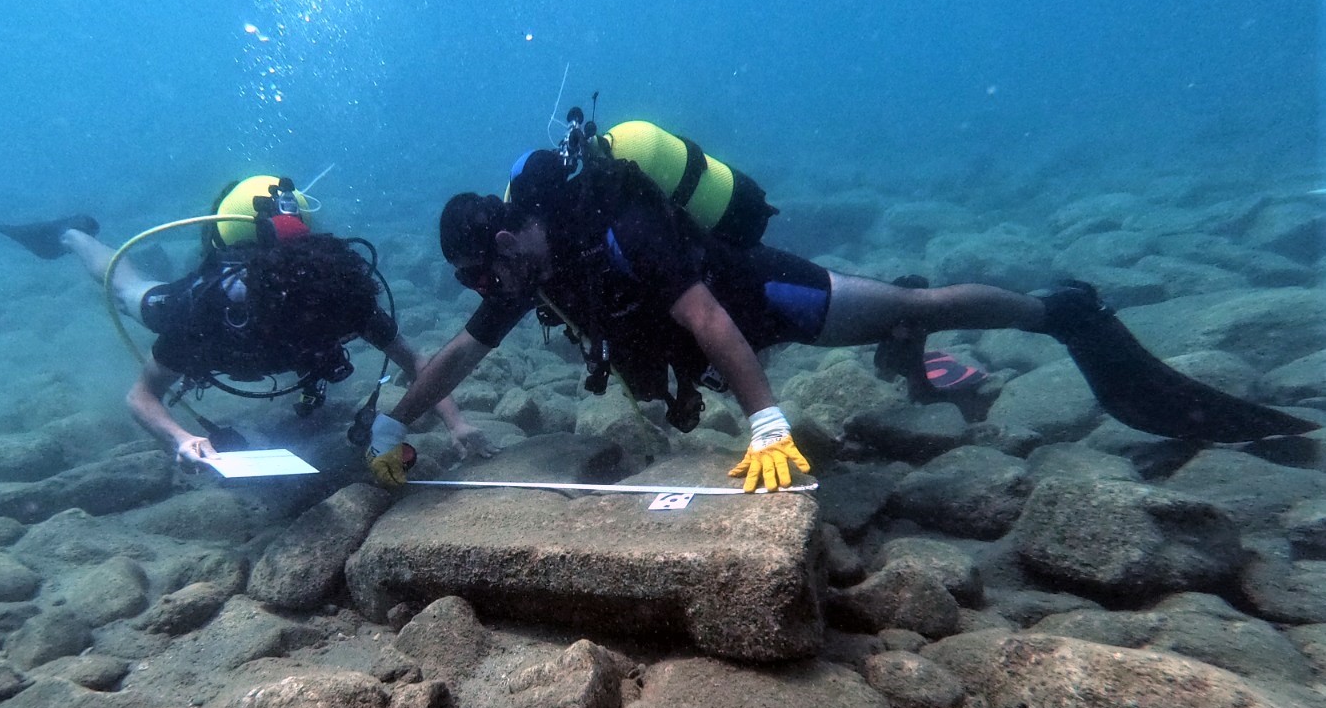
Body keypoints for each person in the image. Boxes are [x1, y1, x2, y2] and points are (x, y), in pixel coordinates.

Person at [366, 130, 1315, 494]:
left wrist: (767, 417)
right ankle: (917, 358)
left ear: (511, 233)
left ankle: (1057, 309)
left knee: (912, 301)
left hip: (754, 295)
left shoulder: (614, 224)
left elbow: (704, 318)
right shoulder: (532, 272)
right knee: (901, 317)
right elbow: (459, 354)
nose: (494, 295)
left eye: (491, 273)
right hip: (708, 335)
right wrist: (390, 425)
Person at [0, 177, 491, 468]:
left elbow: (420, 363)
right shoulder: (209, 312)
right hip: (200, 308)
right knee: (131, 290)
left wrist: (458, 424)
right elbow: (141, 396)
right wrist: (181, 438)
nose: (316, 327)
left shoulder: (340, 298)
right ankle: (69, 236)